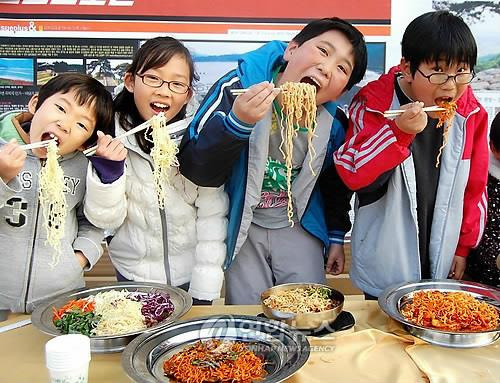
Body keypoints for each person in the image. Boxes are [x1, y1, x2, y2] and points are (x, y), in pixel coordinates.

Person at [179, 18, 367, 304]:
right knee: (248, 317)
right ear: (292, 50)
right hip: (243, 224)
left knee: (308, 311)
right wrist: (237, 123)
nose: (326, 69)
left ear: (342, 91)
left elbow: (335, 185)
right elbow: (196, 168)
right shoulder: (236, 89)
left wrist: (336, 235)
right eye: (323, 51)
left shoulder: (334, 123)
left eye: (342, 68)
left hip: (301, 225)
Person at [333, 11, 489, 298]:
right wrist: (398, 133)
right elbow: (353, 174)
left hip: (443, 252)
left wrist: (463, 247)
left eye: (461, 71)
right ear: (407, 67)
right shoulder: (374, 103)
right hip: (385, 254)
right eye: (438, 71)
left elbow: (475, 187)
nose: (450, 86)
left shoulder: (471, 114)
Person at [84, 37, 228, 304]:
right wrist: (109, 174)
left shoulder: (197, 140)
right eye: (153, 78)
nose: (164, 91)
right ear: (130, 81)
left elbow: (212, 215)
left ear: (187, 94)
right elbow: (105, 221)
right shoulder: (109, 140)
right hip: (132, 276)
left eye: (176, 84)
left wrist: (205, 290)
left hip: (190, 275)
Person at [0, 73, 116, 313]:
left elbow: (92, 221)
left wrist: (79, 258)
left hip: (62, 298)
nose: (65, 124)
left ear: (86, 142)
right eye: (61, 108)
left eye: (82, 124)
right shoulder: (3, 154)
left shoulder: (83, 168)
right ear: (35, 105)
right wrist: (2, 177)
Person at [466, 112, 500, 287]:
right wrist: (496, 255)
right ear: (493, 148)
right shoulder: (483, 179)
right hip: (484, 281)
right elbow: (476, 227)